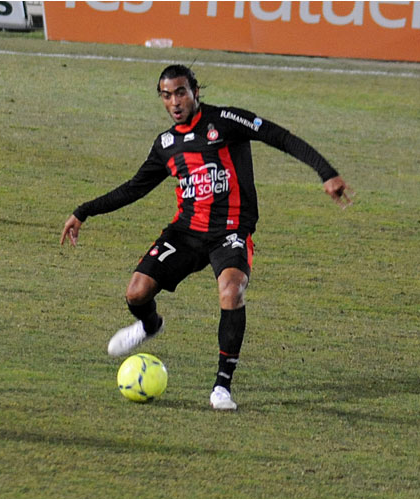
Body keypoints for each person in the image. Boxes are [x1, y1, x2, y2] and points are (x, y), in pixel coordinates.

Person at [60, 64, 352, 411]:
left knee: (232, 290)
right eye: (166, 95)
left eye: (181, 92)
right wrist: (84, 211)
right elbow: (134, 188)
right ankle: (150, 325)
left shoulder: (225, 121)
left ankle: (222, 387)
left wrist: (327, 173)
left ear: (195, 92)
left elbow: (280, 137)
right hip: (186, 232)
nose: (174, 101)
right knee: (136, 293)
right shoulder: (166, 145)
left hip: (230, 231)